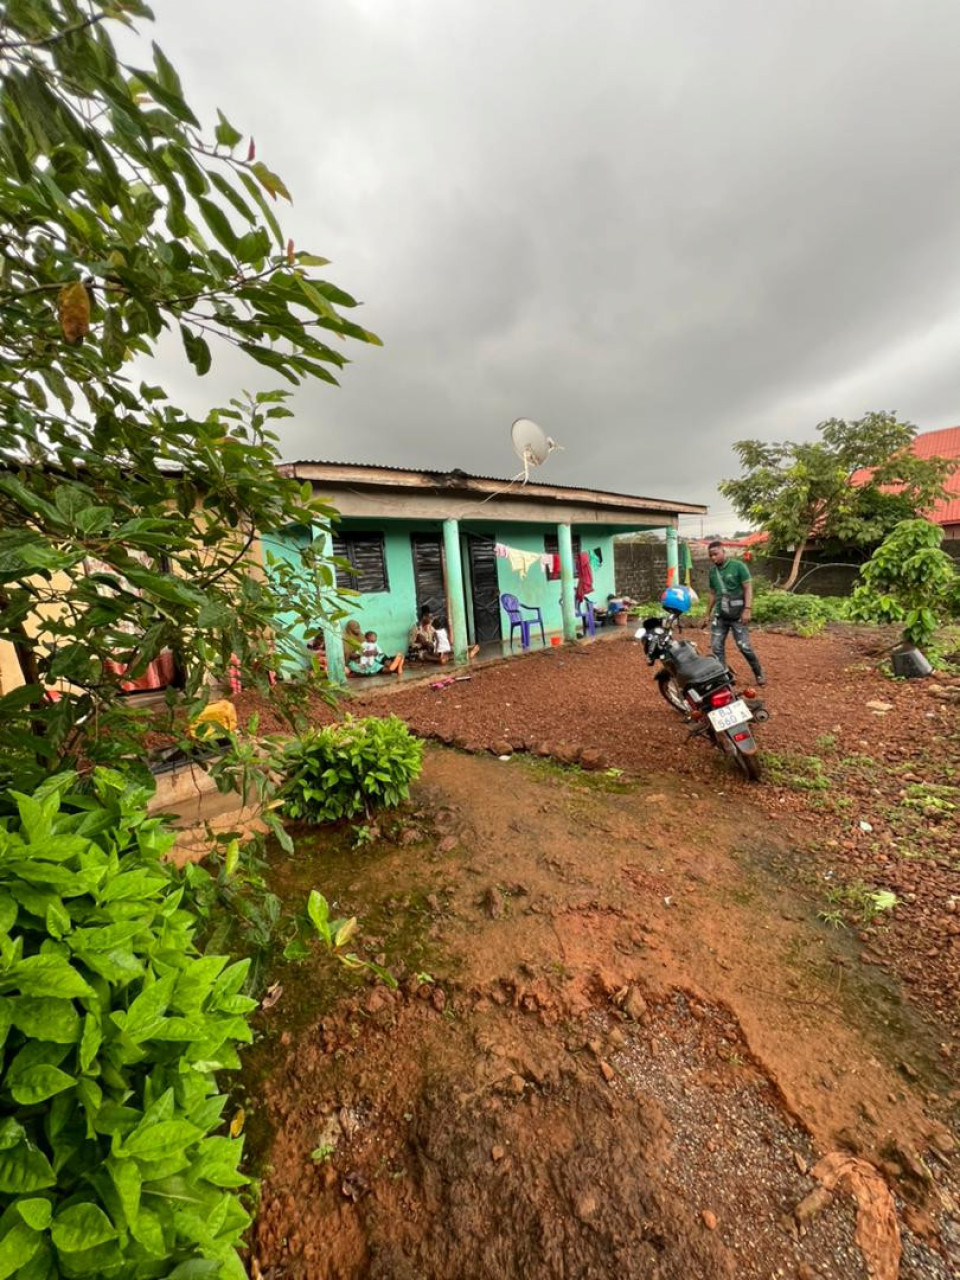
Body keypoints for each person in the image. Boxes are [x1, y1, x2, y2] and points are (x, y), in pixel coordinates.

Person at [703, 540, 765, 685]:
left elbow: (748, 588)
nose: (713, 558)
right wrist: (707, 614)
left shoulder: (738, 566)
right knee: (716, 646)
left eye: (716, 554)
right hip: (720, 615)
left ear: (723, 552)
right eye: (710, 555)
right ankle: (725, 676)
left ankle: (758, 673)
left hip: (738, 615)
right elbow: (712, 594)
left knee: (744, 646)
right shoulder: (712, 572)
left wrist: (747, 609)